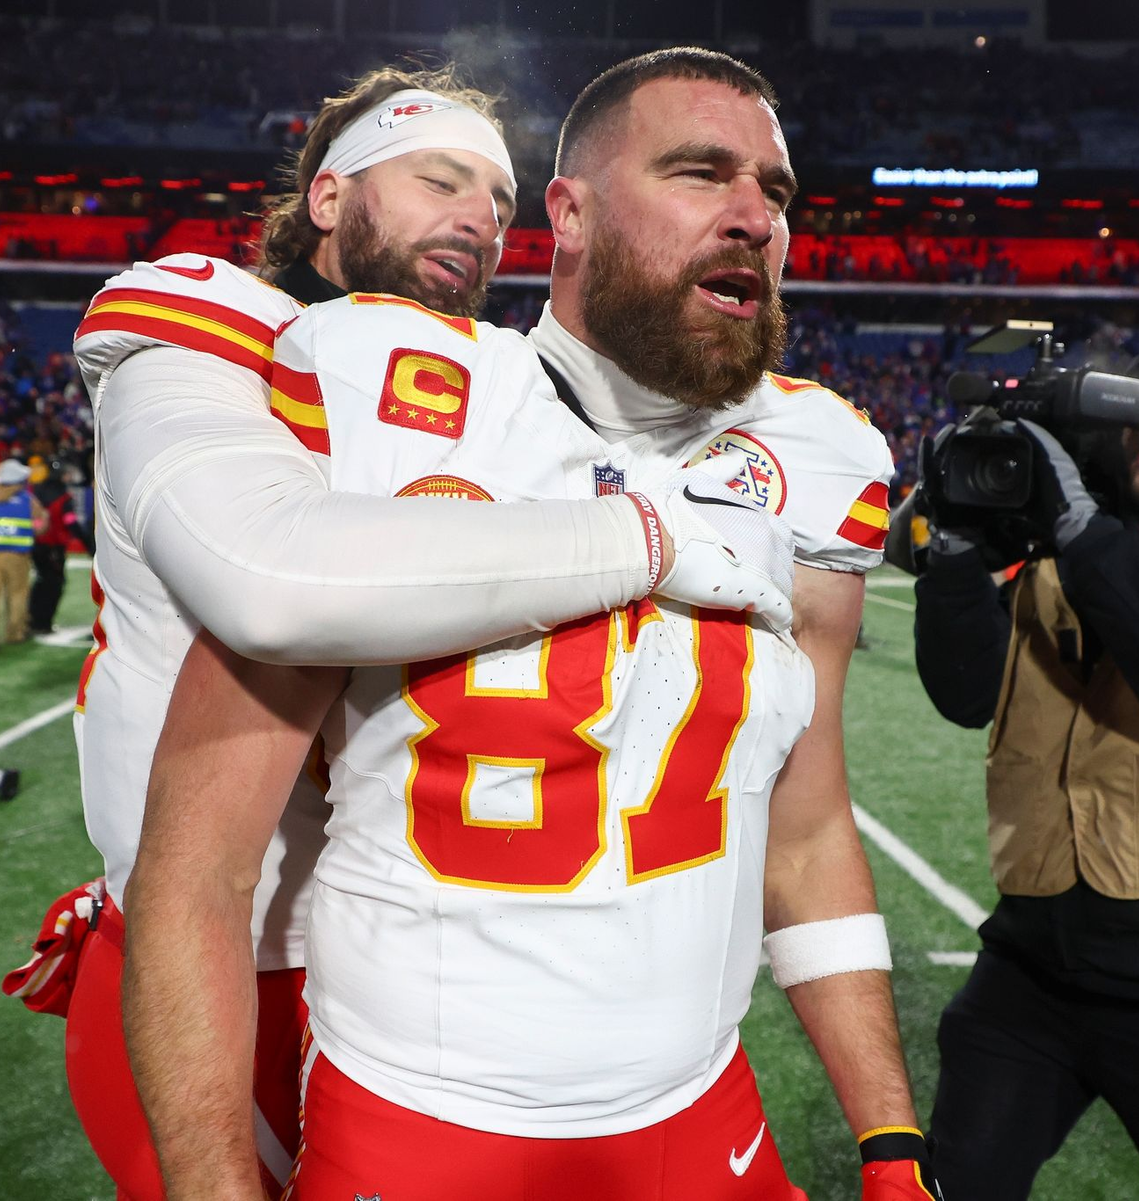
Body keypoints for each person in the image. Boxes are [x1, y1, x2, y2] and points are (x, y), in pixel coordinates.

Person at [126, 48, 941, 1201]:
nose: (756, 217)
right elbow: (196, 865)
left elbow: (804, 834)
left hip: (703, 1114)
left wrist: (891, 1144)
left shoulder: (819, 457)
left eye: (778, 192)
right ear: (567, 211)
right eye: (702, 173)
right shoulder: (388, 391)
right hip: (424, 1122)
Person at [910, 342, 1139, 1200]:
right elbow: (966, 694)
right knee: (957, 1181)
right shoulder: (1053, 540)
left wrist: (1082, 532)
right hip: (1035, 959)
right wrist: (955, 554)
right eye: (1137, 412)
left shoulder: (1080, 536)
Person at [28, 456, 95, 635]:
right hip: (54, 547)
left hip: (36, 545)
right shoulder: (63, 497)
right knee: (54, 584)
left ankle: (33, 620)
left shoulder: (36, 491)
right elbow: (71, 523)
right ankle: (43, 623)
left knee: (41, 582)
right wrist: (88, 546)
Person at [0, 458, 44, 644]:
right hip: (17, 556)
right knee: (17, 594)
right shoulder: (28, 500)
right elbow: (40, 525)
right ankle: (15, 634)